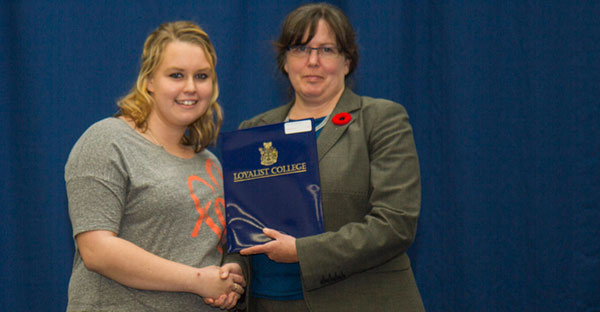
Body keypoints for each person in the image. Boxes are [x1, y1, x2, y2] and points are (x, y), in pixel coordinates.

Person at [225, 3, 425, 311]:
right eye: (301, 49)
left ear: (347, 61)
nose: (313, 61)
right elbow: (240, 222)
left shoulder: (381, 120)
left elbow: (395, 224)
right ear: (285, 62)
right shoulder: (254, 130)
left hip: (359, 302)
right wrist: (233, 267)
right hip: (267, 302)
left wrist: (303, 251)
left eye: (327, 50)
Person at [64, 21, 245, 311]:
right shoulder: (107, 141)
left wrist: (229, 276)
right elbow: (97, 251)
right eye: (176, 75)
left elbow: (217, 248)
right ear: (148, 80)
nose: (190, 87)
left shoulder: (210, 162)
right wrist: (198, 280)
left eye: (202, 76)